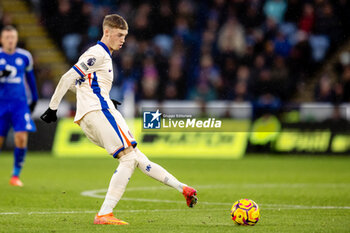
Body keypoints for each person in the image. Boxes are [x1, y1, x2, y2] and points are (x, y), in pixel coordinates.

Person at [40, 14, 197, 225]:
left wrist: (104, 97)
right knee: (128, 159)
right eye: (120, 34)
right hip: (98, 112)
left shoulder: (101, 56)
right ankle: (104, 214)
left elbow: (79, 83)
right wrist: (52, 109)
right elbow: (67, 77)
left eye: (125, 35)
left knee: (136, 157)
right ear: (107, 32)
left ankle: (183, 188)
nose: (123, 39)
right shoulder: (99, 54)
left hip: (93, 113)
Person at [0, 25, 38, 187]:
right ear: (2, 39)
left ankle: (15, 175)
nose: (10, 40)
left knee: (21, 137)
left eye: (12, 37)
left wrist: (34, 98)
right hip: (1, 104)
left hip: (19, 104)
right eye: (7, 37)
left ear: (16, 39)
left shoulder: (25, 56)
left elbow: (30, 78)